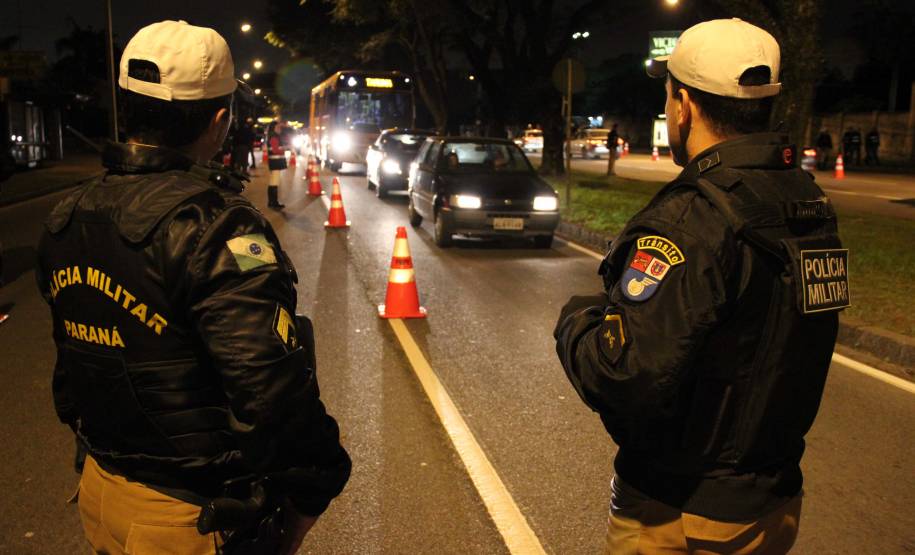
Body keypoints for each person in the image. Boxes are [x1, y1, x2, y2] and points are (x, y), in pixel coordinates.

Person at [35, 20, 350, 555]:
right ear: (221, 121)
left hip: (101, 495)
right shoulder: (216, 227)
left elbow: (73, 369)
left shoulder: (70, 215)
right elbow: (269, 392)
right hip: (187, 519)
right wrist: (314, 488)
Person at [555, 18, 847, 555]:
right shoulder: (807, 204)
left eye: (669, 98)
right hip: (774, 502)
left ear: (684, 106)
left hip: (683, 512)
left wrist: (578, 322)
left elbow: (623, 378)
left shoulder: (692, 220)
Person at [267, 120, 287, 208]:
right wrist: (285, 148)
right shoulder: (274, 137)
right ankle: (273, 202)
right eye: (278, 127)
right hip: (275, 162)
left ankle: (272, 202)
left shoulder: (274, 136)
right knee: (274, 182)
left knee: (273, 182)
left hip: (275, 162)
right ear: (273, 128)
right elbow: (275, 150)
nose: (280, 129)